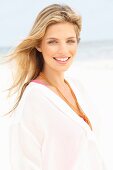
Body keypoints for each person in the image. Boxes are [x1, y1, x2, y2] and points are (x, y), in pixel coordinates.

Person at [8, 3, 106, 170]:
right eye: (53, 42)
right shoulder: (33, 98)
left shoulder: (77, 87)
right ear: (39, 45)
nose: (63, 50)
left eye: (70, 41)